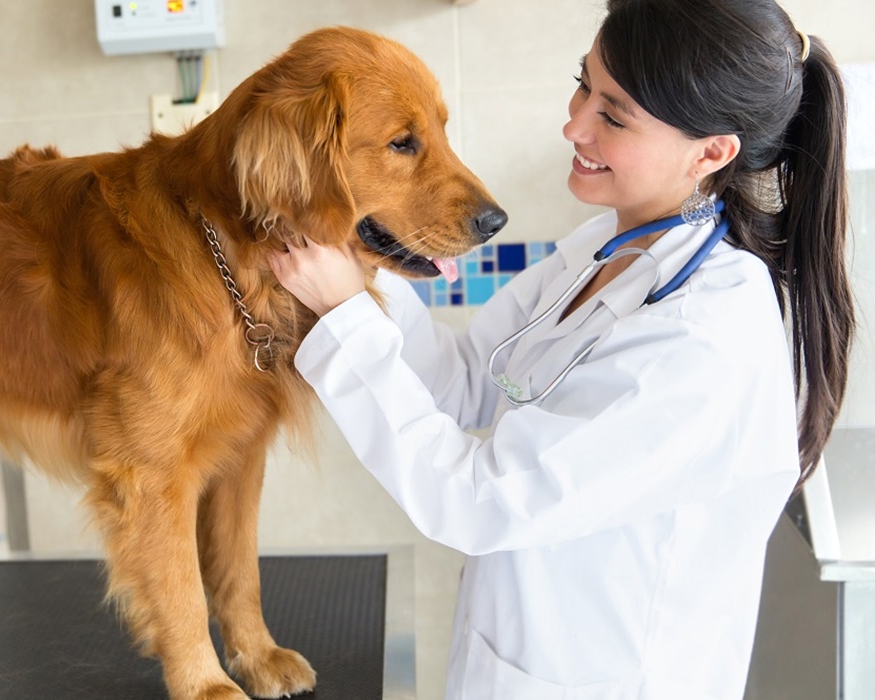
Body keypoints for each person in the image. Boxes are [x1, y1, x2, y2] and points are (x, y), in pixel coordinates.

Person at [269, 0, 855, 697]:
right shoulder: (606, 248)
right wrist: (363, 256)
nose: (572, 123)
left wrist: (343, 313)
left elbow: (478, 501)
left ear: (713, 151)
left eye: (613, 114)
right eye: (584, 83)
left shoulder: (702, 338)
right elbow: (461, 382)